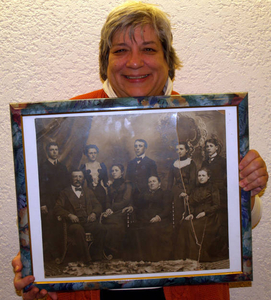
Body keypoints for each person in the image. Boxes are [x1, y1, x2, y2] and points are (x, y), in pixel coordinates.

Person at [12, 2, 268, 300]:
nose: (135, 62)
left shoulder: (201, 118)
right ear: (105, 62)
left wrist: (246, 190)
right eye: (120, 50)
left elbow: (238, 216)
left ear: (167, 59)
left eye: (148, 49)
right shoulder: (62, 122)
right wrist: (37, 277)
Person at [54, 170, 106, 263]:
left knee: (100, 228)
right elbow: (57, 208)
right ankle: (85, 259)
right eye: (75, 177)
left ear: (83, 179)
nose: (77, 179)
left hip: (87, 221)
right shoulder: (64, 192)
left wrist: (94, 213)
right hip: (73, 223)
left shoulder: (88, 191)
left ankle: (96, 257)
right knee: (78, 229)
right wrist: (69, 215)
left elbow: (98, 205)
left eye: (80, 177)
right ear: (71, 178)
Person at [177, 168, 222, 262]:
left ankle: (194, 256)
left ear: (208, 177)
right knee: (184, 224)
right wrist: (191, 214)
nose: (201, 178)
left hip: (210, 217)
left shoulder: (213, 188)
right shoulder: (195, 189)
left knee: (192, 226)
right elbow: (192, 204)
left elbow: (217, 205)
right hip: (196, 215)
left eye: (203, 175)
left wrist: (204, 213)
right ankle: (183, 256)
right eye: (199, 176)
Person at [129, 175, 173, 261]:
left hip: (160, 220)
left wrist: (158, 217)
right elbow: (137, 206)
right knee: (134, 230)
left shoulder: (165, 194)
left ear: (159, 183)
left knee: (151, 230)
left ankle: (153, 258)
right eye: (149, 182)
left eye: (154, 181)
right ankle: (138, 258)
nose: (151, 183)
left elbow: (167, 209)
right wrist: (131, 207)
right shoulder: (143, 194)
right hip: (144, 219)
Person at [39, 142, 69, 260]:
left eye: (56, 149)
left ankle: (62, 254)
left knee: (60, 227)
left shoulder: (62, 167)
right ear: (48, 152)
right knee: (50, 227)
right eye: (52, 150)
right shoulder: (43, 167)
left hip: (61, 202)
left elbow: (66, 186)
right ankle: (53, 255)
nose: (55, 152)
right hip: (49, 202)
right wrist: (43, 204)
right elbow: (41, 187)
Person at [101, 164, 132, 259]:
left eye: (116, 170)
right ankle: (107, 251)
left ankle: (116, 252)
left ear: (122, 172)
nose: (114, 172)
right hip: (111, 211)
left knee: (117, 226)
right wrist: (108, 208)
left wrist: (112, 208)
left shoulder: (127, 185)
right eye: (112, 170)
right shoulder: (111, 185)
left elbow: (125, 200)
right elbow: (107, 200)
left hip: (121, 211)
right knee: (105, 224)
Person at [80, 144, 108, 211]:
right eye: (91, 153)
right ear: (87, 154)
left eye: (95, 153)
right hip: (89, 193)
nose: (93, 155)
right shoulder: (83, 167)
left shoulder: (102, 166)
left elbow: (105, 182)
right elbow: (81, 182)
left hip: (101, 192)